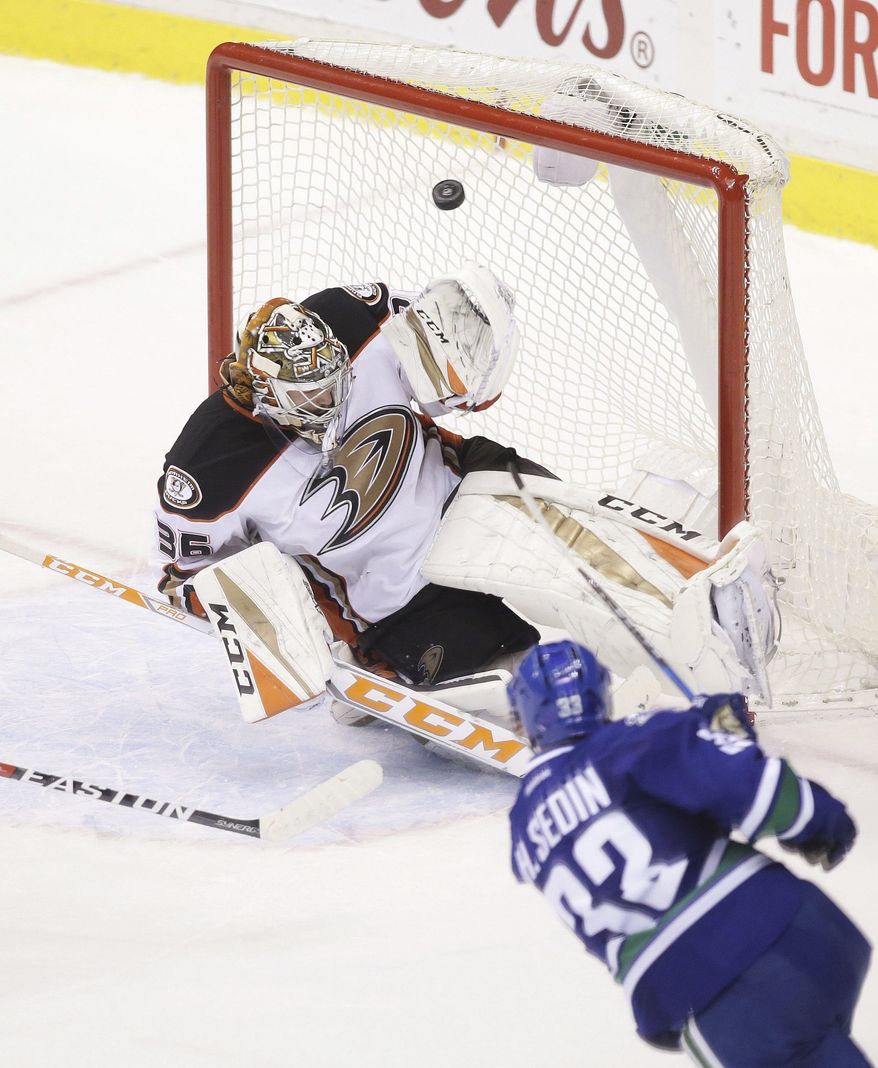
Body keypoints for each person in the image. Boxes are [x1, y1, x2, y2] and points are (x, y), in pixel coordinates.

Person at [152, 265, 778, 726]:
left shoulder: (351, 317)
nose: (331, 397)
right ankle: (635, 725)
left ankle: (704, 605)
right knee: (516, 684)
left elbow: (444, 340)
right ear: (266, 392)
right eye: (310, 393)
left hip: (464, 486)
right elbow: (187, 580)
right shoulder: (208, 466)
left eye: (333, 378)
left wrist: (466, 354)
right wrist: (292, 627)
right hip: (397, 595)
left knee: (596, 567)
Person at [507, 639, 872, 1066]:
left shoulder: (522, 825)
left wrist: (700, 731)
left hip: (703, 991)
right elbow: (747, 790)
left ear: (524, 718)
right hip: (800, 927)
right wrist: (817, 819)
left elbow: (633, 809)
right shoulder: (641, 737)